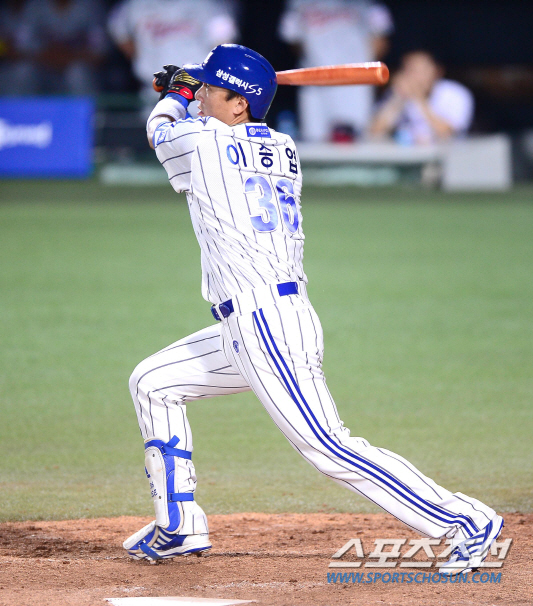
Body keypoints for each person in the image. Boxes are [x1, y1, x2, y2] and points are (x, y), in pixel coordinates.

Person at [122, 44, 503, 575]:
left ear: (240, 103)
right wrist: (197, 89)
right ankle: (179, 526)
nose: (202, 95)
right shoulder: (282, 146)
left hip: (267, 323)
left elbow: (159, 130)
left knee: (328, 446)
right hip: (253, 320)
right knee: (153, 383)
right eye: (202, 87)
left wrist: (177, 93)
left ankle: (466, 522)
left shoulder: (205, 143)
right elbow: (200, 129)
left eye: (212, 88)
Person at [278, 0, 393, 142]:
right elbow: (292, 39)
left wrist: (362, 71)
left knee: (358, 141)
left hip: (354, 86)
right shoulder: (297, 3)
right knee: (314, 142)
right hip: (315, 86)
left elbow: (381, 36)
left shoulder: (366, 3)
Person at [107, 0, 238, 111]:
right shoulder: (135, 4)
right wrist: (143, 59)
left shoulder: (207, 5)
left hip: (198, 93)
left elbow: (224, 47)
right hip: (155, 92)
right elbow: (118, 30)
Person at [370, 50, 474, 145]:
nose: (416, 76)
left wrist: (419, 99)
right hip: (409, 155)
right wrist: (397, 99)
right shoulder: (398, 93)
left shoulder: (455, 93)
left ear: (437, 71)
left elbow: (447, 134)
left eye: (421, 71)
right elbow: (375, 131)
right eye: (410, 70)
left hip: (450, 155)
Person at [20, 0, 107, 96]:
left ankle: (88, 106)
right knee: (23, 71)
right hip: (43, 69)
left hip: (78, 68)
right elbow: (21, 47)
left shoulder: (90, 6)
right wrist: (51, 55)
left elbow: (100, 53)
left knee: (77, 73)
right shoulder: (35, 5)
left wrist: (68, 55)